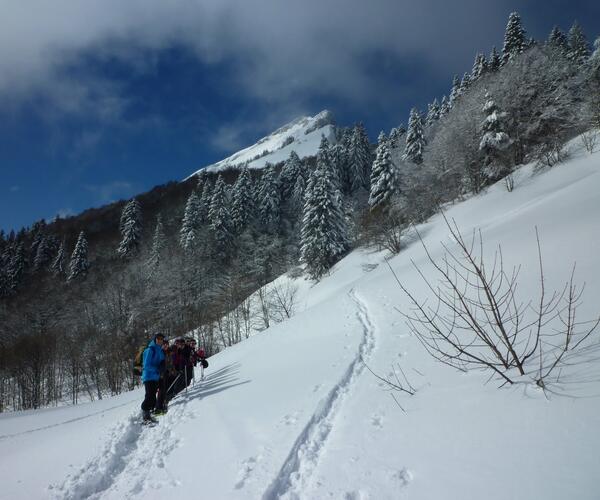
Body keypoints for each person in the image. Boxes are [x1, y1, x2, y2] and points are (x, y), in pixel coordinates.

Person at [141, 333, 165, 423]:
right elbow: (146, 365)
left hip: (155, 377)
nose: (160, 340)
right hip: (148, 376)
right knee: (150, 396)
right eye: (158, 339)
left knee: (152, 396)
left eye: (161, 339)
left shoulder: (160, 350)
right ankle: (145, 416)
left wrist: (162, 365)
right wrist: (157, 368)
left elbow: (161, 361)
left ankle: (148, 414)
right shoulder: (150, 350)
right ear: (155, 339)